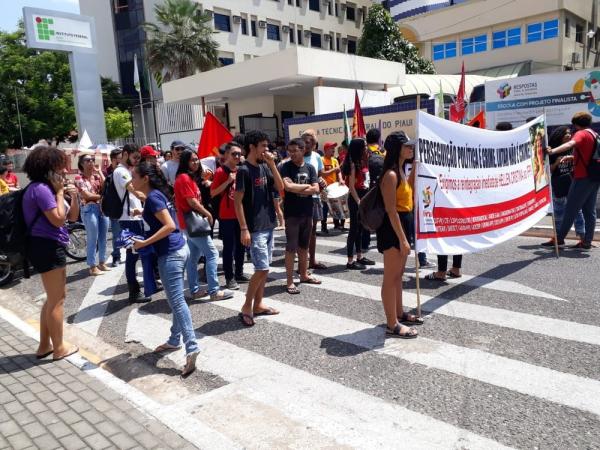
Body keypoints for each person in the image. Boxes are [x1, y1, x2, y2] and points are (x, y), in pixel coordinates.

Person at [130, 162, 199, 376]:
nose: (131, 179)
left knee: (177, 302)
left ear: (145, 178)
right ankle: (173, 340)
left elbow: (169, 225)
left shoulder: (153, 197)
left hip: (170, 253)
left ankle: (192, 346)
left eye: (134, 176)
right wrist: (142, 211)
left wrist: (143, 243)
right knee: (176, 299)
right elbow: (163, 219)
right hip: (179, 249)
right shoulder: (156, 196)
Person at [22, 146, 80, 360]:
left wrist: (72, 197)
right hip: (46, 246)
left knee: (53, 298)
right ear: (47, 168)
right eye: (59, 167)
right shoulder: (42, 190)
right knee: (57, 300)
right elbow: (57, 219)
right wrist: (58, 193)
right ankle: (59, 348)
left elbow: (71, 218)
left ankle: (44, 345)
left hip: (46, 245)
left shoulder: (45, 188)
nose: (64, 171)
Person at [234, 130, 284, 326]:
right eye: (263, 146)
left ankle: (259, 304)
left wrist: (272, 164)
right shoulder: (244, 170)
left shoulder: (264, 167)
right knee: (261, 268)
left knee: (265, 268)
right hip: (254, 228)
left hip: (268, 224)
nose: (267, 149)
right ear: (252, 147)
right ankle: (247, 306)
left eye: (267, 145)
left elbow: (280, 187)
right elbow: (237, 202)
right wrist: (244, 228)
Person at [376, 132, 420, 338]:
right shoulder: (391, 175)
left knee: (398, 275)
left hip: (404, 223)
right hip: (394, 227)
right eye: (407, 146)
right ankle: (391, 323)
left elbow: (409, 191)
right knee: (390, 277)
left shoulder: (401, 171)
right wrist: (402, 239)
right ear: (397, 149)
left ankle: (399, 313)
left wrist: (415, 169)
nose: (411, 149)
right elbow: (391, 210)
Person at [175, 150, 234, 301]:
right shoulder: (184, 178)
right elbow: (192, 201)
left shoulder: (188, 177)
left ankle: (194, 290)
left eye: (196, 160)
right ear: (185, 162)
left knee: (193, 257)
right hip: (193, 222)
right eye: (191, 160)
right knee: (212, 254)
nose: (195, 162)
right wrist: (207, 213)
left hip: (191, 223)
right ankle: (214, 291)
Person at [548, 112, 600, 249]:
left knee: (570, 209)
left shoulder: (581, 133)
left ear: (576, 124)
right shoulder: (594, 134)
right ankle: (587, 241)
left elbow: (570, 144)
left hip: (582, 178)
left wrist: (552, 151)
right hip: (594, 177)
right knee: (590, 211)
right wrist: (572, 158)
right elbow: (589, 155)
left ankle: (559, 239)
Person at [280, 138, 322, 294]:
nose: (291, 154)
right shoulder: (286, 167)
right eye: (289, 151)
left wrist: (299, 188)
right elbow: (288, 187)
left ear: (303, 150)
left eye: (294, 150)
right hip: (292, 213)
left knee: (304, 246)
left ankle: (303, 274)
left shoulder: (310, 168)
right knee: (291, 247)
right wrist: (306, 186)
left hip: (307, 212)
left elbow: (316, 188)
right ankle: (290, 281)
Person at [114, 144, 151, 303]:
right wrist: (151, 200)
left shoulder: (126, 170)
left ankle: (139, 287)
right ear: (125, 154)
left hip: (134, 217)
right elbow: (134, 190)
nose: (137, 160)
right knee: (132, 254)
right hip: (128, 218)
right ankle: (134, 291)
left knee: (136, 252)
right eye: (135, 157)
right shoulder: (120, 171)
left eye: (138, 158)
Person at [211, 142, 248, 290]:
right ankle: (229, 277)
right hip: (226, 215)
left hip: (240, 214)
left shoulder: (242, 170)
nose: (237, 156)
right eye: (234, 154)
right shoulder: (221, 171)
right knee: (228, 247)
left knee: (241, 245)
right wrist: (228, 181)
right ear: (227, 155)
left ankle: (239, 272)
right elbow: (213, 192)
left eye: (239, 154)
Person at [541, 126, 585, 247]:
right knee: (558, 213)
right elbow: (547, 170)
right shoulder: (552, 151)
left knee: (577, 212)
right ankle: (558, 238)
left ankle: (583, 239)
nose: (569, 135)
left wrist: (572, 158)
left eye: (570, 133)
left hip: (573, 184)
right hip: (558, 185)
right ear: (559, 135)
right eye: (566, 134)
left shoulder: (573, 149)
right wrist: (556, 162)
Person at [342, 138, 375, 270]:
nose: (367, 147)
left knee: (361, 229)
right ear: (359, 148)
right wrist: (359, 202)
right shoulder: (353, 164)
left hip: (364, 196)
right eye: (365, 146)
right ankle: (350, 261)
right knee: (354, 230)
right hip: (356, 198)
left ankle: (360, 256)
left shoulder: (362, 162)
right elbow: (351, 187)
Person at [75, 154, 110, 276]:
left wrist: (100, 172)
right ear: (81, 164)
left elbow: (106, 186)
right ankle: (92, 265)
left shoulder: (96, 176)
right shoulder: (79, 178)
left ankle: (102, 262)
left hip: (101, 208)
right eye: (87, 160)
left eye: (92, 160)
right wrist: (103, 197)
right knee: (93, 237)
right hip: (89, 209)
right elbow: (87, 196)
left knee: (103, 237)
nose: (91, 162)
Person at [301, 129, 327, 270]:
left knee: (312, 230)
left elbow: (320, 176)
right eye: (305, 141)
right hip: (300, 199)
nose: (308, 144)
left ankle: (312, 260)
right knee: (303, 231)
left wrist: (322, 182)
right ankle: (302, 263)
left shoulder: (317, 157)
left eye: (311, 141)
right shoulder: (296, 157)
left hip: (315, 198)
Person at [320, 141, 343, 233]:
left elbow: (339, 172)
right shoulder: (321, 159)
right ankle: (323, 227)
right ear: (326, 150)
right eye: (331, 148)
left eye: (334, 148)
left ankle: (337, 225)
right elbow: (322, 174)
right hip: (324, 188)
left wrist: (341, 179)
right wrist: (334, 169)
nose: (333, 150)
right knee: (325, 208)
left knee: (336, 206)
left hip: (334, 188)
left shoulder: (335, 160)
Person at [106, 148, 123, 267]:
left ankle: (133, 253)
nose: (120, 161)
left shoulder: (125, 170)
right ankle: (116, 256)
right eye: (118, 159)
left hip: (127, 206)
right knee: (116, 234)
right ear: (112, 160)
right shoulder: (107, 173)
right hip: (115, 207)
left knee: (131, 231)